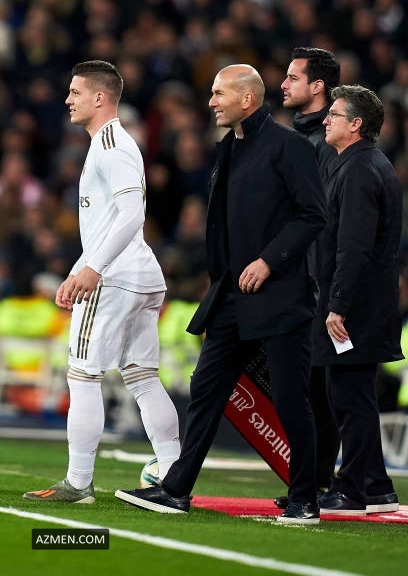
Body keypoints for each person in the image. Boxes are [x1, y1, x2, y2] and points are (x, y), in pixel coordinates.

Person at [115, 63, 327, 525]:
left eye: (218, 93)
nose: (210, 101)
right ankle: (176, 489)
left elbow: (313, 215)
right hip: (232, 296)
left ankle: (305, 499)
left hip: (281, 295)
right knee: (206, 388)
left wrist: (269, 260)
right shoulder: (230, 146)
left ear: (247, 99)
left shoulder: (289, 146)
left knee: (290, 400)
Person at [23, 60, 180, 503]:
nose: (67, 100)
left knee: (82, 375)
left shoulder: (111, 145)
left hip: (115, 279)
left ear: (99, 97)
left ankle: (78, 482)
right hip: (138, 276)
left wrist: (94, 269)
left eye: (75, 92)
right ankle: (174, 474)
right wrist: (79, 268)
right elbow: (108, 224)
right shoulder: (108, 145)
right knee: (143, 378)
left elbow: (132, 215)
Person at [315, 84, 402, 515]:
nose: (326, 119)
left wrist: (338, 304)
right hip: (367, 300)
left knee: (349, 395)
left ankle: (351, 491)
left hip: (357, 305)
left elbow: (353, 246)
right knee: (353, 392)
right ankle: (376, 485)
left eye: (334, 114)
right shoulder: (364, 163)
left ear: (356, 124)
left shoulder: (359, 169)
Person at [274, 47, 341, 508]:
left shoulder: (326, 143)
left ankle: (322, 483)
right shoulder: (300, 137)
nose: (283, 85)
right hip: (301, 274)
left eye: (293, 78)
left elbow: (324, 218)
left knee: (320, 386)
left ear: (318, 86)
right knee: (308, 384)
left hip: (318, 278)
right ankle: (315, 481)